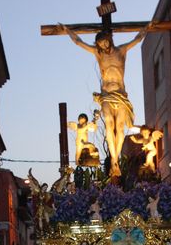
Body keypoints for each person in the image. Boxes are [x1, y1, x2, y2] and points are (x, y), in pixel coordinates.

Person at [60, 22, 152, 177]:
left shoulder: (122, 50)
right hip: (107, 96)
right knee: (109, 124)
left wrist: (147, 28)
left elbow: (137, 39)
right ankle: (115, 161)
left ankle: (115, 159)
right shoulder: (98, 54)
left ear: (109, 39)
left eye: (105, 41)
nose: (103, 45)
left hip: (120, 95)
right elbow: (78, 42)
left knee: (120, 126)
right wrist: (67, 30)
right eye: (100, 44)